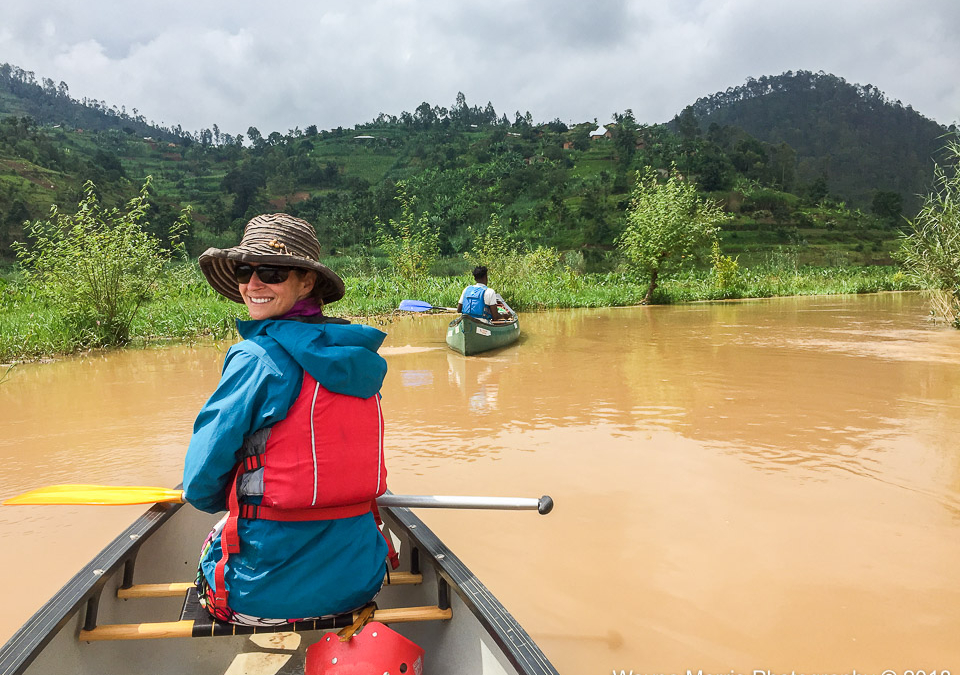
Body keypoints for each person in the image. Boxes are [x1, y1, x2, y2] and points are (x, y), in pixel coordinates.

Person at [184, 213, 393, 626]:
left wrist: (235, 500)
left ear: (306, 282)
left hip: (259, 598)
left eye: (273, 272)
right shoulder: (360, 360)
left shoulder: (255, 359)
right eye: (245, 270)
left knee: (212, 540)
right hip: (358, 584)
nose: (253, 284)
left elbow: (199, 484)